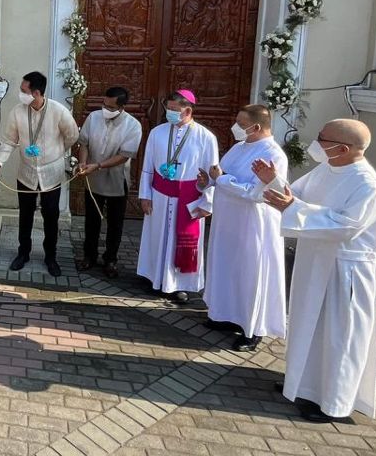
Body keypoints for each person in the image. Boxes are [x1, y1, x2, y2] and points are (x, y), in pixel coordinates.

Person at [255, 119, 376, 423]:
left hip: (346, 270)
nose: (316, 142)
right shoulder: (328, 168)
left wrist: (292, 207)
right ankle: (302, 385)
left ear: (343, 148)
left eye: (322, 138)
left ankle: (334, 403)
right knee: (307, 326)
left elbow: (346, 226)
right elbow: (296, 199)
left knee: (339, 337)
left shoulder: (369, 185)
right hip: (314, 260)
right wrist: (273, 181)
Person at [198, 104, 287, 351]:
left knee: (250, 273)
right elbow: (221, 176)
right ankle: (225, 314)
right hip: (227, 222)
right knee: (227, 267)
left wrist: (222, 179)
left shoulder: (273, 154)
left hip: (253, 224)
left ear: (256, 126)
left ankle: (252, 329)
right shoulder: (239, 147)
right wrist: (208, 182)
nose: (235, 126)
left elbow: (258, 193)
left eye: (240, 122)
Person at [0, 72, 79, 277]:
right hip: (26, 173)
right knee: (25, 215)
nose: (21, 93)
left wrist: (56, 152)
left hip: (51, 174)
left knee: (50, 216)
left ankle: (50, 257)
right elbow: (8, 141)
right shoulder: (17, 112)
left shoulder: (58, 111)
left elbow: (72, 135)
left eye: (24, 91)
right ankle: (23, 253)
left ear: (36, 93)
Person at [137, 90, 218, 304]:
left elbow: (212, 174)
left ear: (188, 110)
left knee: (182, 241)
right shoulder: (157, 132)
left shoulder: (206, 137)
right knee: (157, 236)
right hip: (160, 194)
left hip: (189, 198)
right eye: (168, 109)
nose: (169, 113)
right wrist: (145, 195)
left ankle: (180, 284)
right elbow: (147, 167)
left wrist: (207, 202)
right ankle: (154, 277)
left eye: (175, 110)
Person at [75, 86, 142, 278]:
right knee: (92, 221)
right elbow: (84, 143)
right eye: (104, 104)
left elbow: (124, 155)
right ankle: (89, 256)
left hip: (116, 181)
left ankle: (111, 259)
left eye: (111, 107)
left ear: (121, 107)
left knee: (115, 224)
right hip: (93, 179)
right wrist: (83, 162)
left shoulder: (133, 125)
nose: (105, 108)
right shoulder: (94, 117)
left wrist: (98, 165)